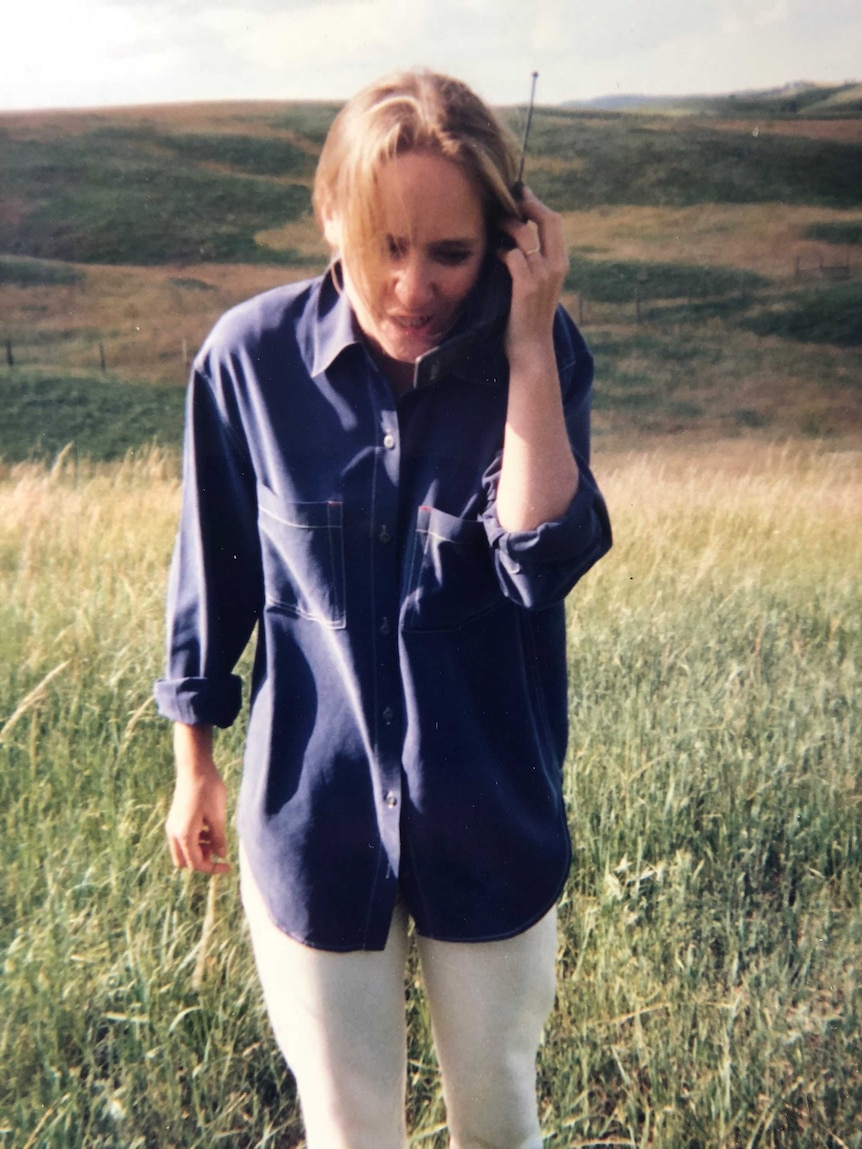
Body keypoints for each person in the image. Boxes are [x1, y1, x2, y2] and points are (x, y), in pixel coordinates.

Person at [155, 69, 611, 1149]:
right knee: (350, 1130)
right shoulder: (247, 362)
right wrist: (194, 764)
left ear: (508, 238)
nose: (413, 286)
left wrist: (529, 339)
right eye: (383, 248)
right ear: (330, 220)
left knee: (497, 1118)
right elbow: (209, 573)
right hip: (313, 819)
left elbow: (540, 560)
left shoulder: (542, 355)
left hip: (489, 812)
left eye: (450, 252)